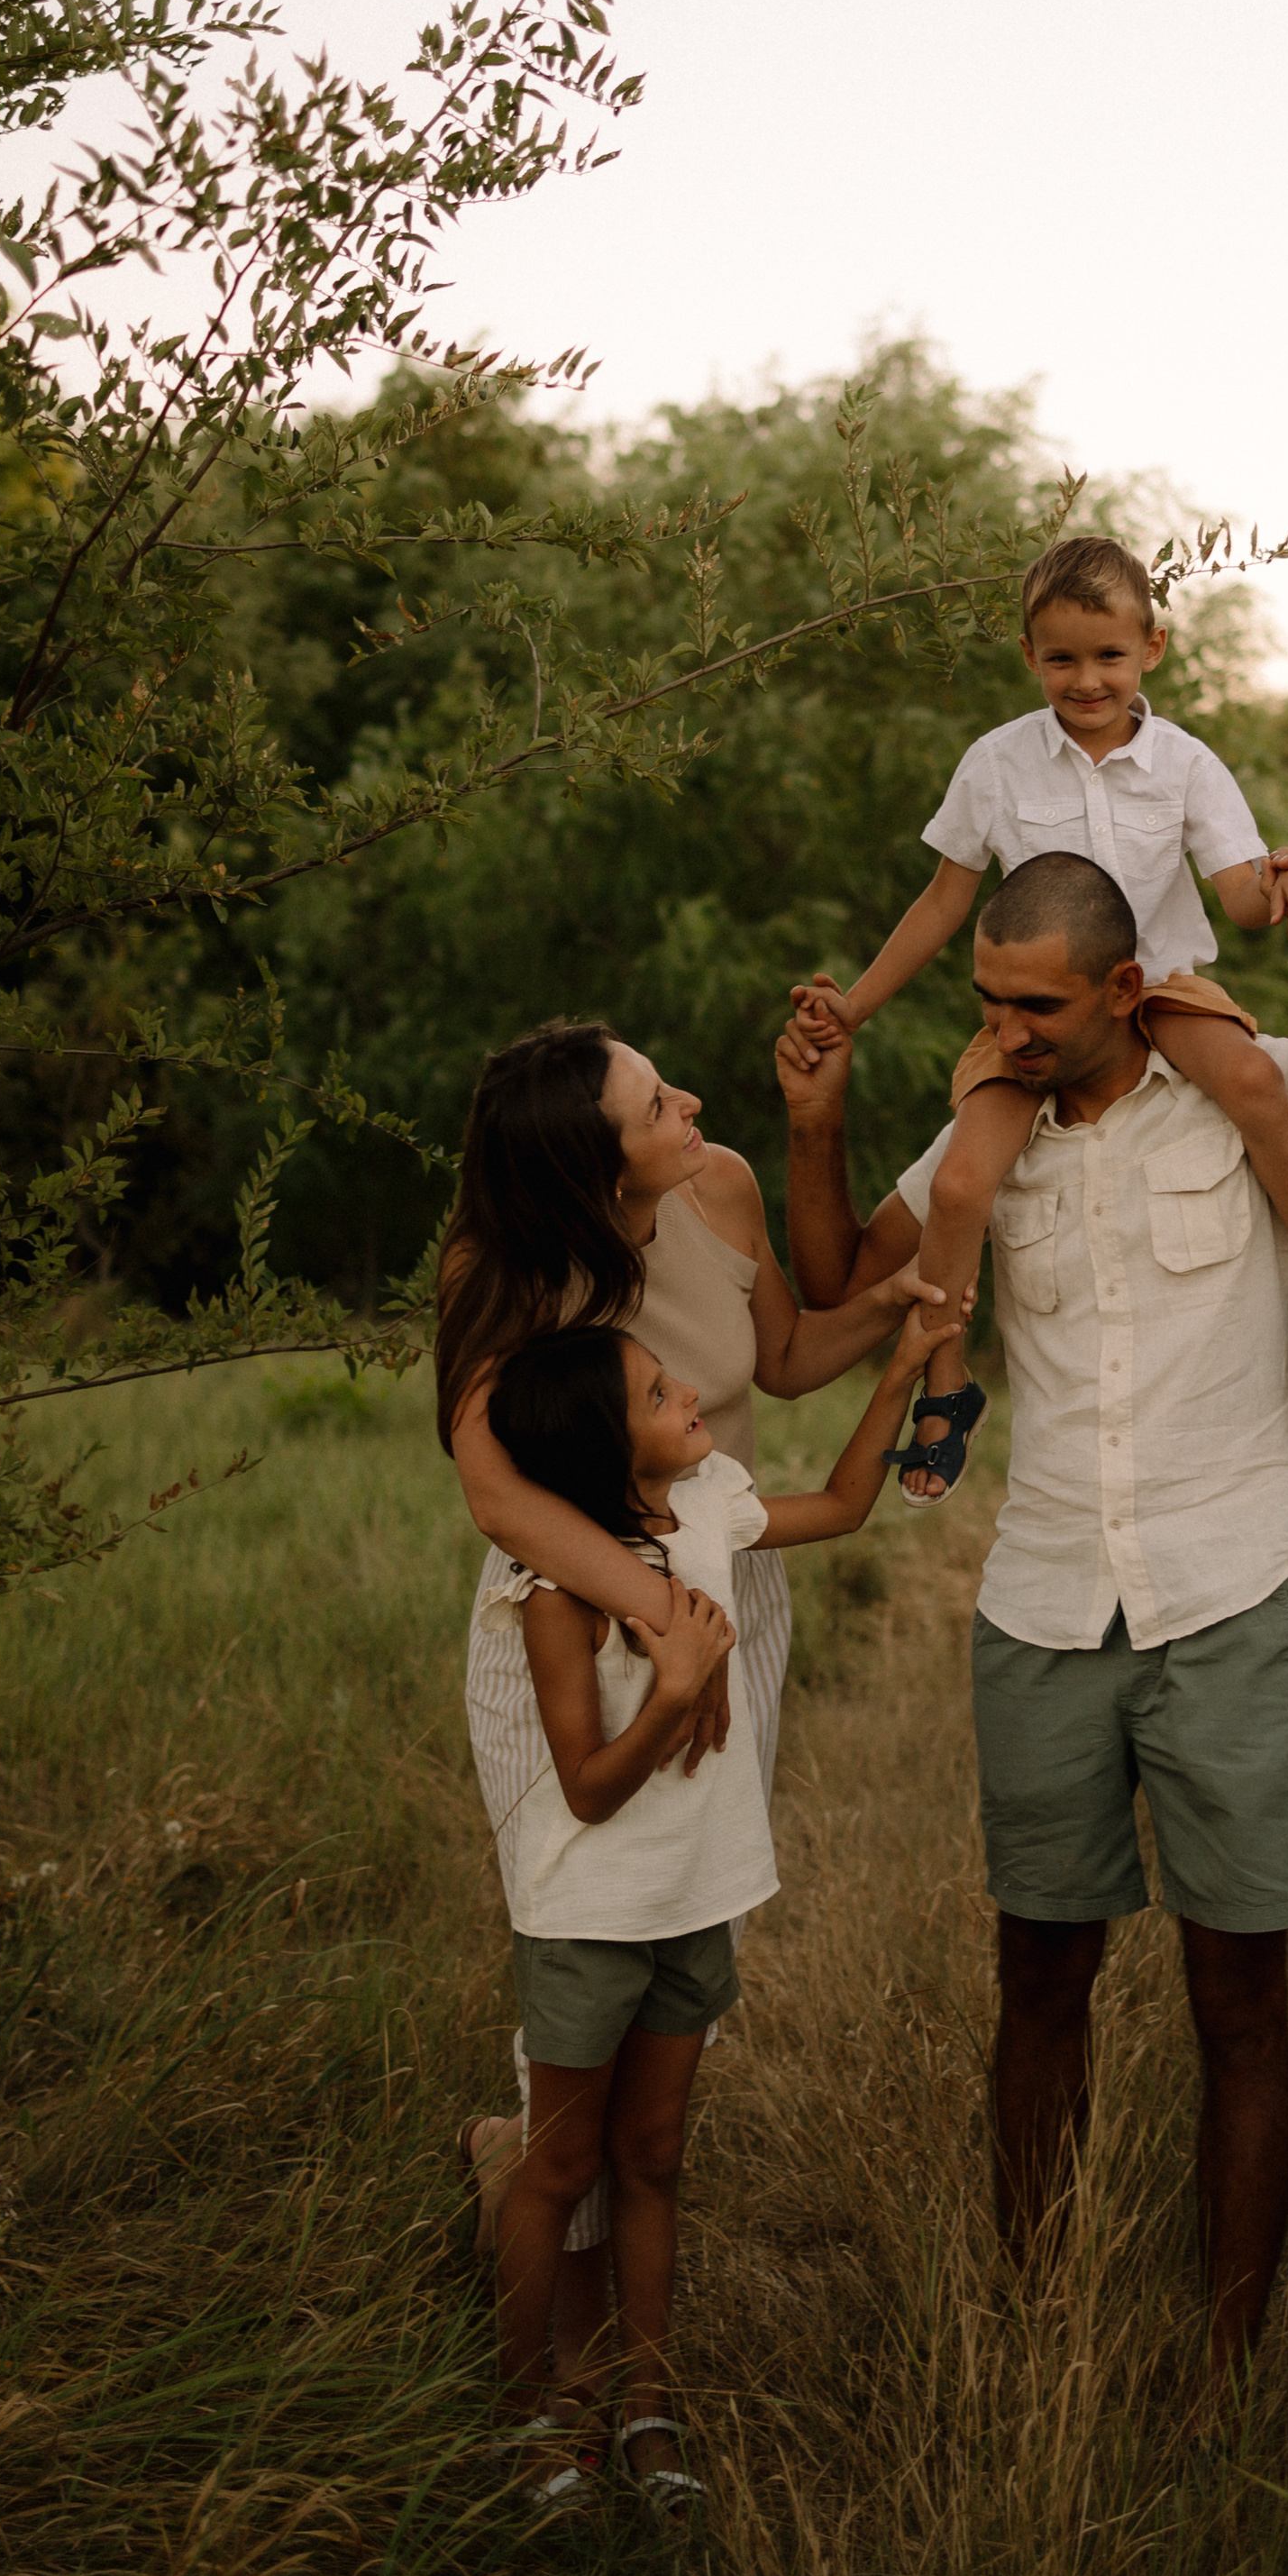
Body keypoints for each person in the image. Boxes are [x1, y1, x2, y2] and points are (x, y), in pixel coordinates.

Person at [779, 843, 1288, 2401]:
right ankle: (1030, 2327)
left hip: (1230, 1587)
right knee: (1039, 1979)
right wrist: (815, 1126)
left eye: (1038, 1005)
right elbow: (817, 1299)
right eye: (988, 1002)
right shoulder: (982, 1135)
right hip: (1048, 1601)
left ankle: (1228, 2367)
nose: (1004, 1032)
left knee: (1237, 1999)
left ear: (1126, 987)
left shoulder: (1257, 1085)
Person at [437, 1019, 942, 2402]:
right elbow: (498, 1489)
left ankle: (582, 2246)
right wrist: (660, 1624)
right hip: (569, 1609)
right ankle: (572, 2336)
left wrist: (901, 1308)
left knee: (682, 1915)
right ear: (586, 1165)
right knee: (587, 1912)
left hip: (726, 1586)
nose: (694, 1106)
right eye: (657, 1103)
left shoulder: (716, 1184)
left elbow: (779, 1359)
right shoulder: (497, 1264)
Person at [474, 1299, 958, 2516]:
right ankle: (531, 2413)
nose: (687, 1394)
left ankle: (646, 2402)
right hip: (590, 1910)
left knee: (653, 2156)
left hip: (698, 1896)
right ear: (600, 1444)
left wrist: (900, 1367)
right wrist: (675, 1686)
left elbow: (842, 1508)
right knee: (561, 2162)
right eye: (653, 1395)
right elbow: (586, 1787)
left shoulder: (708, 1507)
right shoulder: (555, 1589)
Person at [787, 531, 1288, 1506]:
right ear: (1029, 656)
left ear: (1152, 646)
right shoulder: (995, 764)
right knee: (960, 1186)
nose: (1085, 678)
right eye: (1061, 658)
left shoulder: (1187, 766)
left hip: (1157, 989)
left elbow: (1237, 894)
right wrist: (851, 1006)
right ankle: (947, 1378)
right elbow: (944, 900)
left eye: (1108, 655)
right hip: (1038, 1014)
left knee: (1250, 1082)